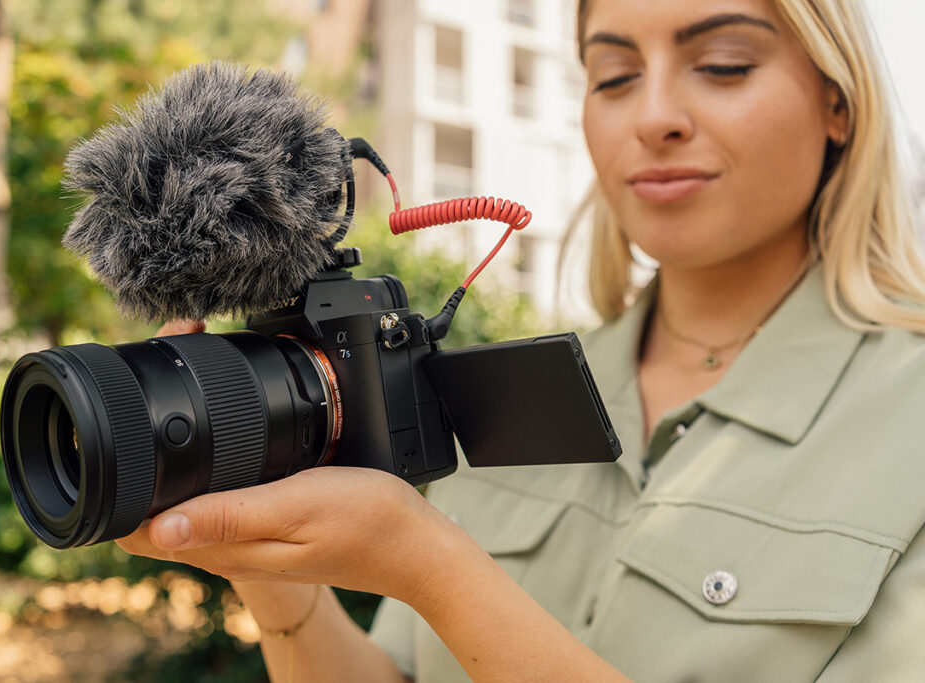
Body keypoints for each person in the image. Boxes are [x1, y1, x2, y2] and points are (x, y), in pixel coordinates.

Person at [117, 0, 925, 680]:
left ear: (838, 101)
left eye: (721, 64)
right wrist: (273, 579)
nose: (653, 117)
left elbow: (436, 574)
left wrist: (435, 568)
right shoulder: (508, 389)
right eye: (613, 76)